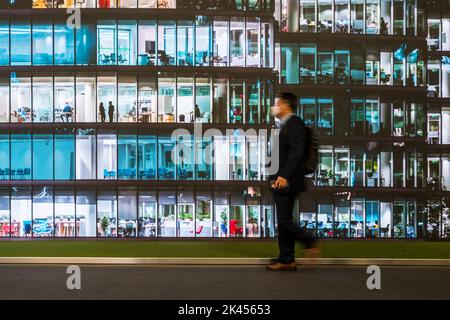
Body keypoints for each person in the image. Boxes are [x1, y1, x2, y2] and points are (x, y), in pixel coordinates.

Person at [266, 92, 319, 272]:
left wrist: (284, 176)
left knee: (284, 221)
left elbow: (296, 153)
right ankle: (287, 259)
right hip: (282, 180)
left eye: (277, 103)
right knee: (283, 222)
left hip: (287, 181)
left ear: (286, 105)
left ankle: (309, 241)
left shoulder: (294, 124)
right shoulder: (286, 125)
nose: (275, 107)